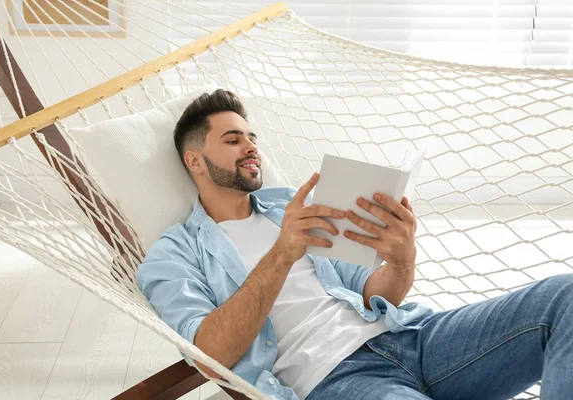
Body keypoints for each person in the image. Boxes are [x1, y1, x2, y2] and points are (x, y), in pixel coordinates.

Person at [136, 89, 573, 400]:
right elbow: (210, 356)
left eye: (252, 138)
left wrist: (402, 260)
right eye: (233, 140)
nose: (251, 148)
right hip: (336, 380)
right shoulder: (172, 255)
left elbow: (374, 294)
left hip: (408, 338)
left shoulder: (290, 204)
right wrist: (283, 253)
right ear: (194, 160)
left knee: (564, 298)